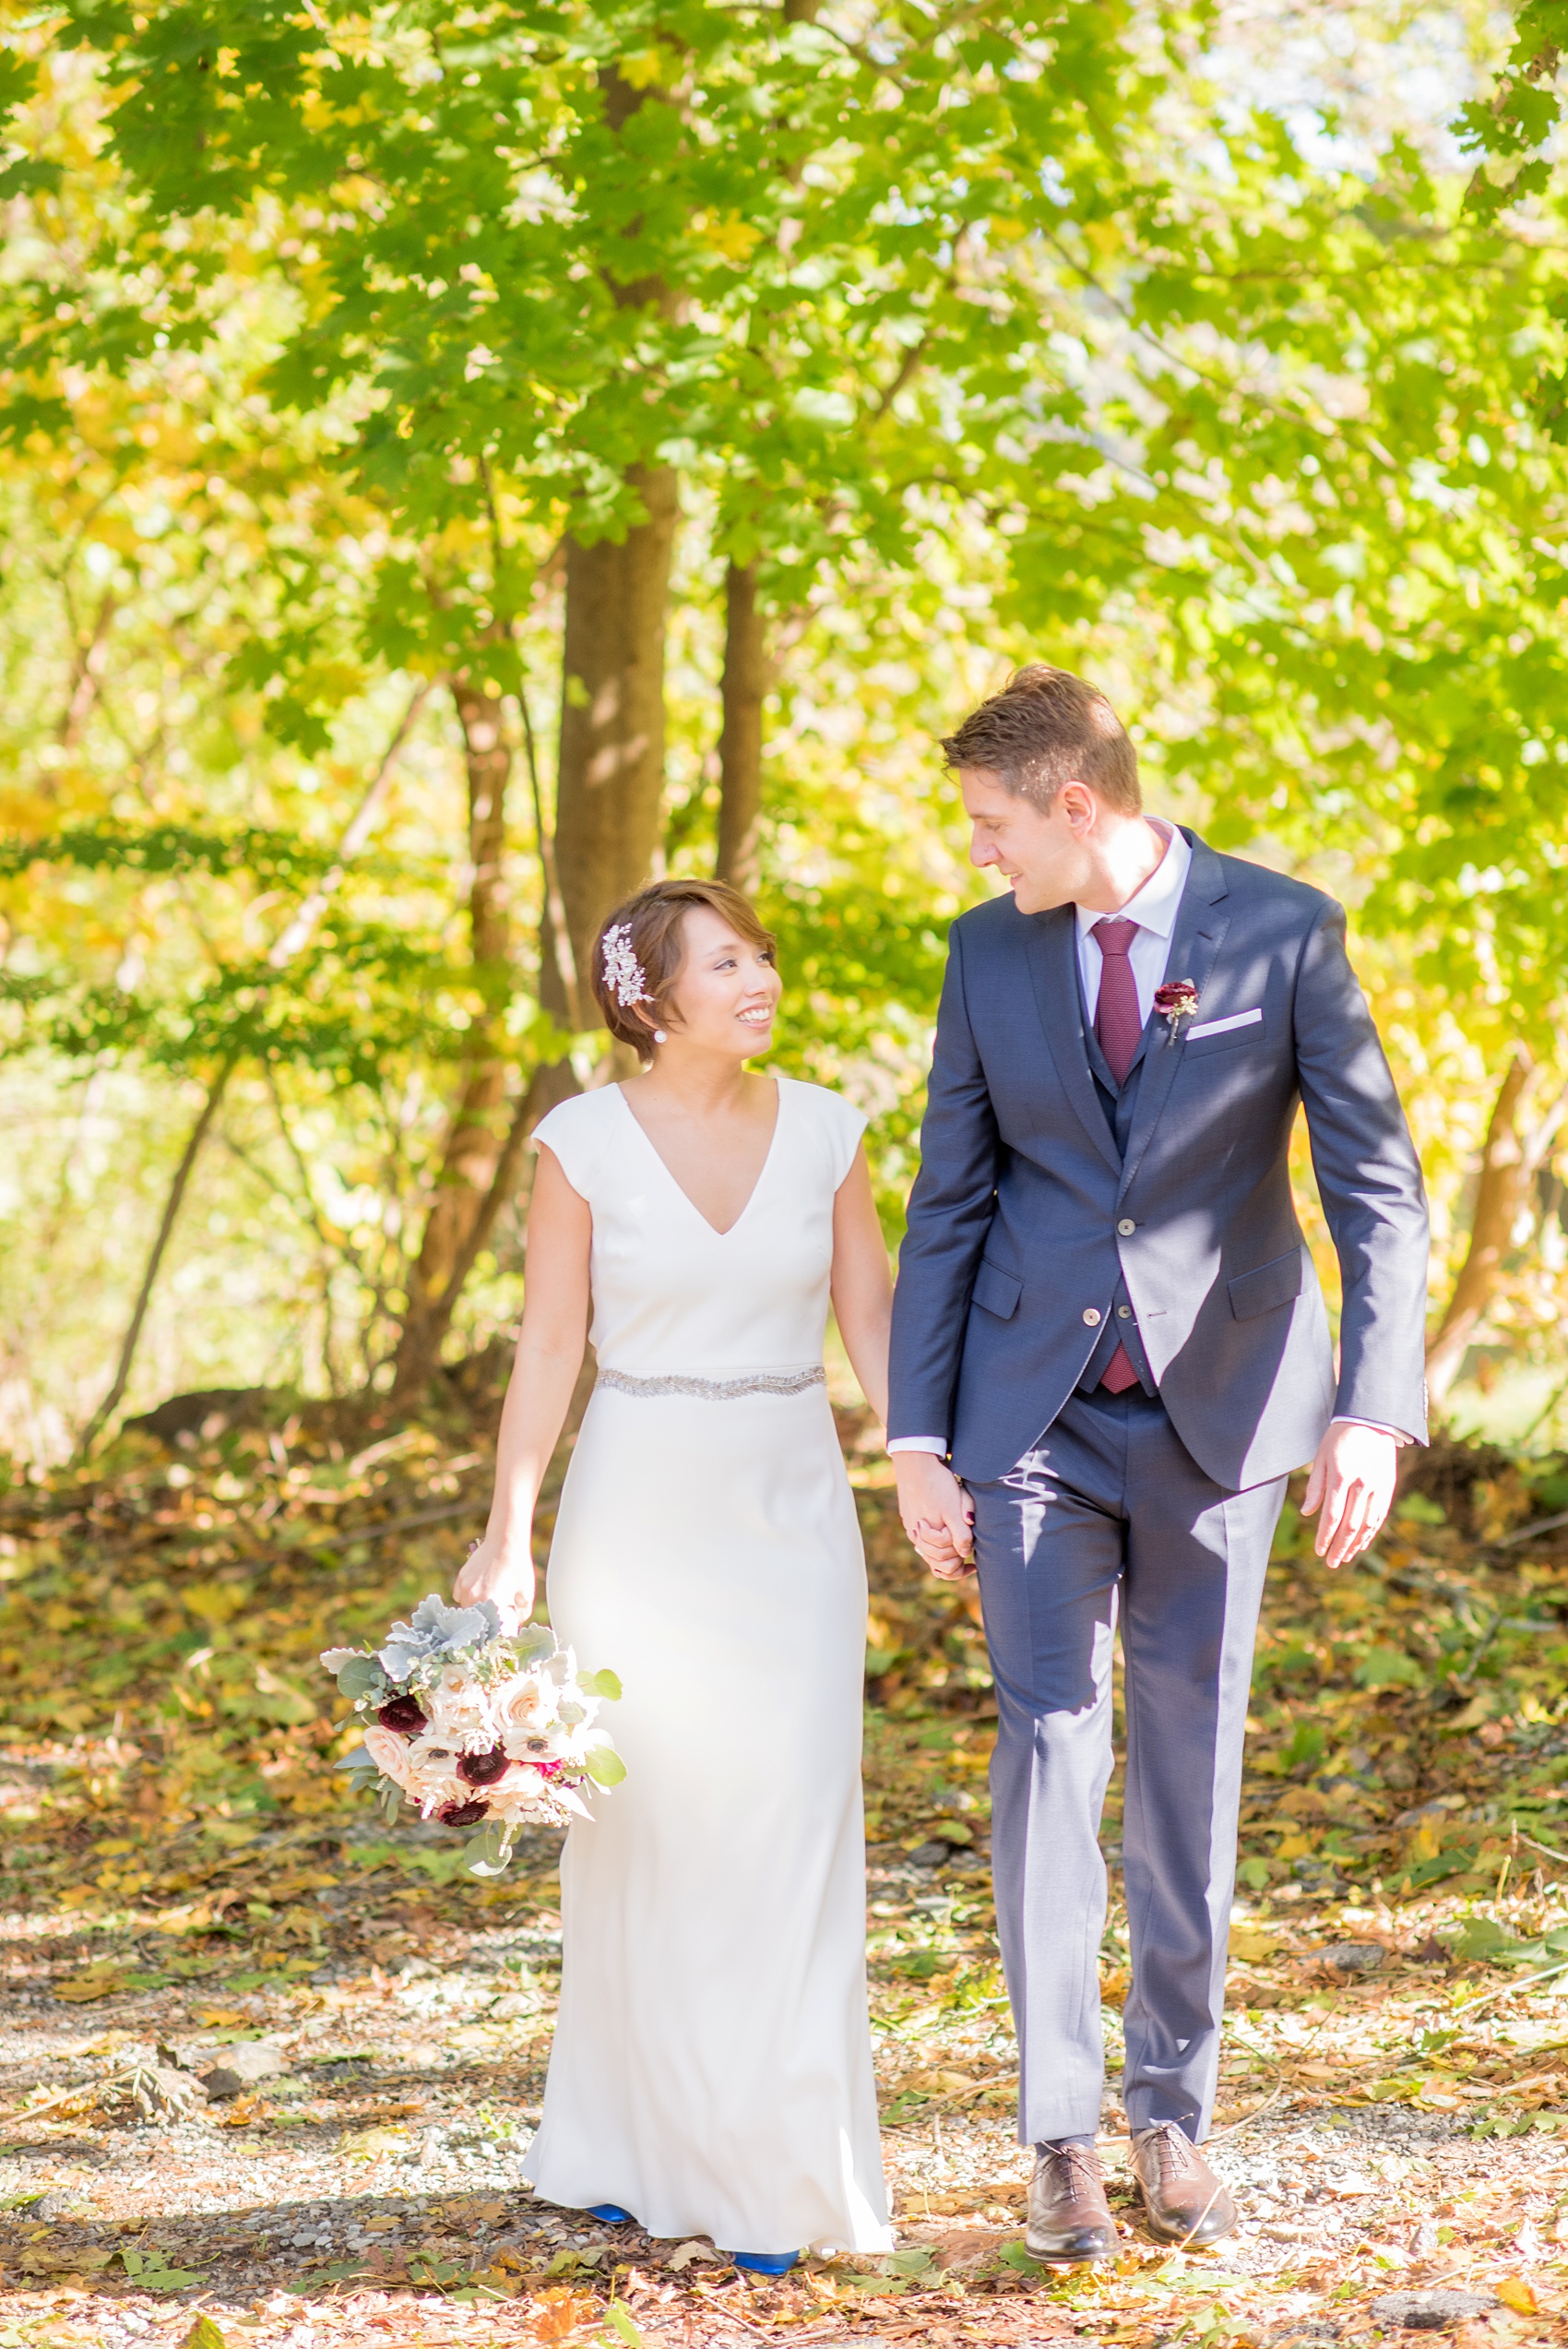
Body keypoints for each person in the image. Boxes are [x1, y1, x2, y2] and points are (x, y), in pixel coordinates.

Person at [888, 667, 1429, 2261]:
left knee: (1188, 1770)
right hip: (1031, 1420)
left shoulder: (1284, 929)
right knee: (1050, 1747)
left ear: (1076, 807)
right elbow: (951, 1194)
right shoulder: (987, 955)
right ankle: (1058, 2132)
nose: (982, 858)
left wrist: (1372, 1409)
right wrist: (920, 1438)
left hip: (1229, 1416)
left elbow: (1376, 1186)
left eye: (995, 826)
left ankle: (1170, 2112)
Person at [455, 876, 894, 2271]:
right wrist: (509, 1528)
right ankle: (625, 2144)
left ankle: (783, 2167)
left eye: (761, 953)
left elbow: (869, 1311)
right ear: (649, 997)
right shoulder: (578, 1143)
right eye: (724, 961)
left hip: (794, 1509)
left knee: (794, 1831)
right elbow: (546, 1347)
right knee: (654, 1842)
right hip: (636, 1512)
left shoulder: (829, 1129)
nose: (759, 976)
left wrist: (925, 1467)